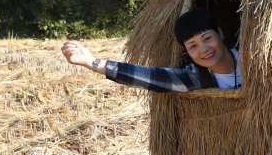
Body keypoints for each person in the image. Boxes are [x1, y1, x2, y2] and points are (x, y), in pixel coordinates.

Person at [61, 9, 242, 92]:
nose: (204, 49)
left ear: (220, 33)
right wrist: (92, 62)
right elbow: (150, 77)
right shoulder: (198, 77)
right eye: (193, 46)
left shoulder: (252, 58)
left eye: (207, 38)